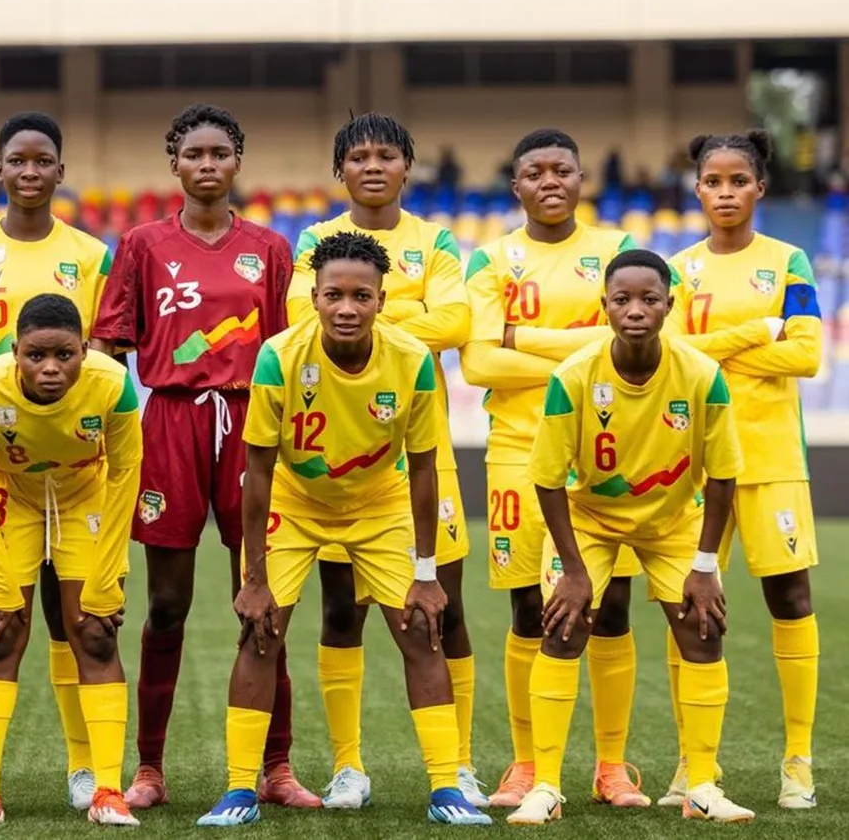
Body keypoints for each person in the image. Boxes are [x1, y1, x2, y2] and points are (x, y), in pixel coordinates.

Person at [198, 231, 491, 827]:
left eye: (362, 295)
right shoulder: (280, 354)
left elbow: (426, 467)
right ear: (315, 297)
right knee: (261, 629)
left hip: (380, 503)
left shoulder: (410, 358)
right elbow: (255, 470)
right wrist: (253, 577)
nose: (348, 308)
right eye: (334, 295)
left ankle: (445, 789)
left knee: (420, 625)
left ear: (382, 299)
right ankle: (237, 791)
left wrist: (427, 574)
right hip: (297, 499)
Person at [90, 103, 316, 811]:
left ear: (237, 161)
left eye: (221, 152)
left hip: (253, 422)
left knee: (263, 601)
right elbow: (107, 346)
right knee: (165, 601)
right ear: (175, 164)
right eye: (195, 154)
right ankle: (149, 767)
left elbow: (288, 349)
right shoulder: (141, 245)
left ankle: (275, 766)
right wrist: (101, 428)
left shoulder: (271, 249)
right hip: (172, 422)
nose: (208, 163)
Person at [507, 248, 754, 825]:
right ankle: (545, 787)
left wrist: (704, 563)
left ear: (671, 304)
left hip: (671, 521)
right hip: (588, 517)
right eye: (623, 299)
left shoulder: (702, 375)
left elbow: (723, 474)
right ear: (605, 307)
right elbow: (546, 480)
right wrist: (572, 571)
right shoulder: (572, 377)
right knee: (564, 629)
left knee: (702, 627)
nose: (636, 310)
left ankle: (701, 786)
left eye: (649, 299)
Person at [287, 112, 481, 809]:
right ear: (340, 170)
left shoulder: (435, 241)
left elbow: (458, 323)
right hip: (338, 449)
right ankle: (348, 765)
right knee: (342, 611)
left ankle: (455, 766)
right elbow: (299, 320)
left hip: (420, 449)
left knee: (444, 608)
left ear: (408, 166)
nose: (373, 165)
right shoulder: (314, 240)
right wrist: (406, 318)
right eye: (359, 155)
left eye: (387, 155)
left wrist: (368, 319)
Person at [0, 111, 112, 813]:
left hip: (76, 467)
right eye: (18, 161)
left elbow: (107, 360)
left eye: (43, 161)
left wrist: (62, 418)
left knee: (74, 621)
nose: (30, 172)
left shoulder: (92, 256)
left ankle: (87, 768)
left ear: (60, 172)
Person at [459, 129, 647, 808]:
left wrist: (519, 336)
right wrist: (582, 346)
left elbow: (635, 334)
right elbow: (479, 362)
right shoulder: (489, 258)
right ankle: (525, 762)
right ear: (516, 185)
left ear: (581, 177)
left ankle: (613, 764)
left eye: (561, 169)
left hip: (606, 448)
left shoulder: (618, 250)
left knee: (613, 605)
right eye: (533, 171)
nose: (549, 180)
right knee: (530, 606)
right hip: (516, 447)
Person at [0, 294, 142, 828]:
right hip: (10, 494)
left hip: (84, 494)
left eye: (65, 355)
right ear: (14, 352)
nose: (51, 369)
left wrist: (106, 576)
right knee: (0, 631)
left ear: (84, 351)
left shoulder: (113, 385)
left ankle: (107, 790)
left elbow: (124, 477)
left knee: (95, 631)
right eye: (35, 356)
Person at [665, 129, 822, 809]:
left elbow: (808, 354)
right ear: (696, 189)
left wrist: (714, 353)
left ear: (759, 187)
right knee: (690, 609)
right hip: (694, 463)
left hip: (770, 456)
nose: (725, 192)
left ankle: (798, 760)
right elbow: (670, 356)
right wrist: (760, 332)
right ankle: (693, 766)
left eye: (738, 180)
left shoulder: (789, 261)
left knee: (789, 597)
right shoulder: (675, 269)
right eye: (713, 181)